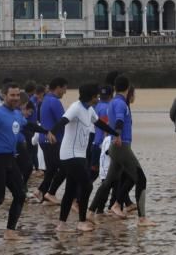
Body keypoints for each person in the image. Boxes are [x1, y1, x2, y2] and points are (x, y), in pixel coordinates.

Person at [0, 82, 52, 240]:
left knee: (20, 195)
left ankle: (10, 231)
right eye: (12, 95)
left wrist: (46, 131)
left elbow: (29, 125)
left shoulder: (16, 114)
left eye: (17, 95)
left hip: (10, 158)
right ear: (4, 96)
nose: (15, 98)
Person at [89, 75, 155, 227]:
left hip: (115, 146)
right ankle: (142, 219)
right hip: (121, 146)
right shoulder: (121, 104)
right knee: (141, 179)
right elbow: (119, 120)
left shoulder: (113, 102)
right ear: (128, 87)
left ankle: (92, 212)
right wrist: (117, 134)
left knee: (109, 182)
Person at [51, 84, 118, 233]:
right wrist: (52, 132)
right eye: (96, 96)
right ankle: (81, 221)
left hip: (79, 155)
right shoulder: (76, 107)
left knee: (70, 189)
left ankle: (62, 225)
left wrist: (115, 133)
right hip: (70, 154)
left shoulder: (89, 109)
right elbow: (63, 120)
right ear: (92, 97)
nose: (98, 98)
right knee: (87, 185)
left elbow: (99, 123)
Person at [36, 77, 68, 204]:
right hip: (53, 140)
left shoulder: (45, 100)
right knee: (65, 168)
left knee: (52, 169)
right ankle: (51, 193)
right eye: (64, 89)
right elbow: (63, 121)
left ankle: (40, 192)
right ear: (58, 87)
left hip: (44, 140)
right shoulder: (54, 101)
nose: (65, 92)